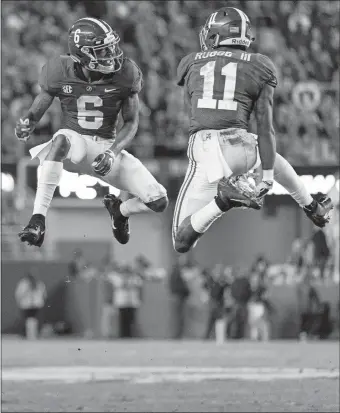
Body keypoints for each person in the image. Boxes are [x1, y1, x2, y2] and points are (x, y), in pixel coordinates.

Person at [172, 7, 333, 253]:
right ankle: (312, 206)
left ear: (216, 35)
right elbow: (266, 126)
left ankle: (223, 201)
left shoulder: (190, 62)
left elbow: (195, 114)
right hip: (244, 146)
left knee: (181, 240)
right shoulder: (260, 64)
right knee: (262, 150)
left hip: (207, 147)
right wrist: (267, 178)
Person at [15, 17, 168, 248]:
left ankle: (120, 212)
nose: (111, 54)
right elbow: (42, 102)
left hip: (106, 148)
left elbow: (131, 122)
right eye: (102, 50)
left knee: (159, 201)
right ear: (83, 53)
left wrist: (112, 152)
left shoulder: (126, 72)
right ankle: (38, 219)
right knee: (61, 140)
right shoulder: (59, 70)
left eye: (110, 47)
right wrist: (29, 121)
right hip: (75, 145)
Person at [15, 269, 47, 340]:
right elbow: (19, 294)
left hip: (36, 305)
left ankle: (36, 334)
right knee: (26, 320)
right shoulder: (23, 284)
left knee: (36, 320)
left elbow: (43, 294)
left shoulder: (39, 284)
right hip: (26, 305)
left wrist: (41, 302)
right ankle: (25, 334)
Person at [168, 254, 191, 339]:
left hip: (179, 296)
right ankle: (177, 335)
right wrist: (187, 291)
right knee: (178, 317)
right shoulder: (177, 271)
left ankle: (179, 335)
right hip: (178, 296)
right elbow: (178, 285)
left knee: (180, 317)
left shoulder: (179, 270)